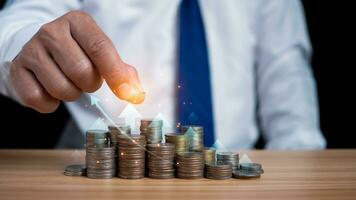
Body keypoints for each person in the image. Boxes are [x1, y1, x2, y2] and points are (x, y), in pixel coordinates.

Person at [0, 0, 326, 149]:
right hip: (101, 170)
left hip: (230, 173)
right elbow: (18, 22)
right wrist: (24, 42)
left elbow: (295, 121)